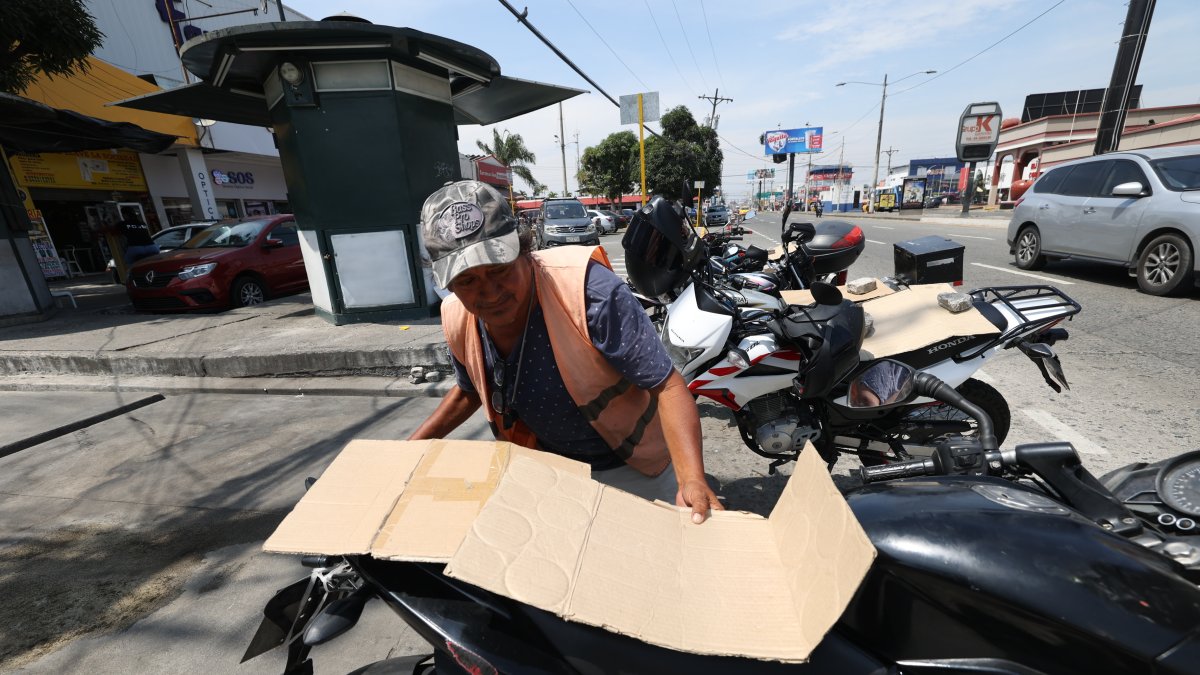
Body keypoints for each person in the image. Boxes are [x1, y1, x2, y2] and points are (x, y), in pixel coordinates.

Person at [409, 180, 723, 523]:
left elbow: (667, 385)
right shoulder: (458, 316)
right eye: (468, 281)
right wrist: (410, 450)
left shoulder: (590, 293)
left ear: (524, 251)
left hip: (633, 466)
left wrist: (691, 478)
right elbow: (469, 390)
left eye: (499, 270)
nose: (490, 293)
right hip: (550, 470)